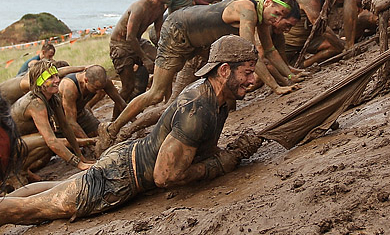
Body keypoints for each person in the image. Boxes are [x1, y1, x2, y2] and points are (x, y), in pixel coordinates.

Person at [0, 35, 263, 225]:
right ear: (224, 70)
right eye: (248, 73)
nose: (253, 80)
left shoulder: (217, 98)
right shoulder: (199, 108)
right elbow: (165, 176)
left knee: (55, 189)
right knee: (34, 208)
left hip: (125, 160)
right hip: (118, 177)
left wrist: (226, 154)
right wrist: (218, 165)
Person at [98, 0, 296, 151]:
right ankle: (113, 129)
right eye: (277, 13)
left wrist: (290, 76)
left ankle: (142, 129)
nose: (277, 19)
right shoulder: (248, 9)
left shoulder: (262, 18)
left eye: (282, 16)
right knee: (156, 93)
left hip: (199, 47)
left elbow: (270, 51)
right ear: (267, 3)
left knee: (181, 101)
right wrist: (276, 87)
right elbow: (248, 53)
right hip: (177, 30)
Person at [11, 60, 94, 174]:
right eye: (51, 78)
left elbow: (65, 126)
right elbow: (51, 141)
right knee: (46, 141)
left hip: (22, 141)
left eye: (56, 76)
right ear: (40, 82)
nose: (57, 80)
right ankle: (17, 172)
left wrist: (80, 156)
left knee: (48, 146)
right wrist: (78, 164)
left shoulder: (53, 98)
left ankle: (24, 170)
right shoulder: (35, 104)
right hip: (8, 147)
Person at [109, 0, 172, 102]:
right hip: (120, 45)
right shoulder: (140, 8)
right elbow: (130, 37)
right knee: (128, 87)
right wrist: (145, 59)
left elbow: (158, 32)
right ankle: (118, 113)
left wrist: (164, 50)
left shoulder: (160, 7)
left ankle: (168, 102)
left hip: (137, 41)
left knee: (165, 63)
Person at [283, 0, 344, 68]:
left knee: (334, 47)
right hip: (291, 42)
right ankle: (299, 65)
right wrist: (341, 45)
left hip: (307, 39)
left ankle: (305, 63)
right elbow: (320, 26)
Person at [59, 65, 126, 138]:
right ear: (86, 80)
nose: (99, 92)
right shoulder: (70, 87)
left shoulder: (103, 81)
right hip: (61, 118)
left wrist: (133, 126)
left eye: (101, 88)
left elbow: (121, 104)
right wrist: (88, 141)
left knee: (104, 135)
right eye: (96, 88)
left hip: (81, 113)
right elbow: (71, 121)